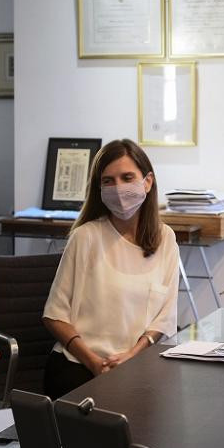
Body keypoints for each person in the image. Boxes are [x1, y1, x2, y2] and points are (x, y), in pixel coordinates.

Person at [41, 139, 178, 398]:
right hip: (79, 366)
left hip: (137, 365)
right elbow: (54, 315)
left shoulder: (166, 238)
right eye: (108, 181)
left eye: (127, 178)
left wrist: (130, 358)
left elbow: (165, 317)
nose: (118, 188)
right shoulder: (86, 237)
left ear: (147, 182)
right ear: (99, 189)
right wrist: (95, 362)